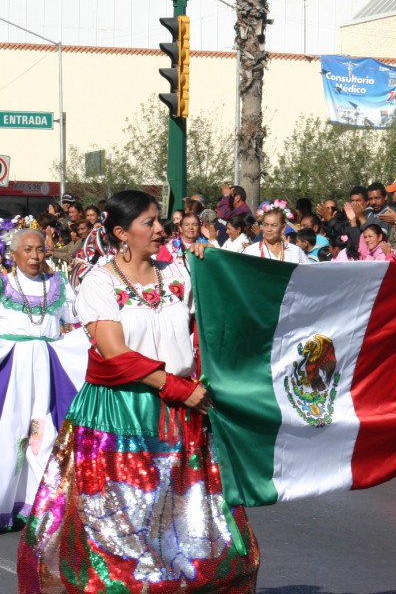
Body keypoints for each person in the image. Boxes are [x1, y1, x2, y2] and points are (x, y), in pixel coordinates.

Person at [17, 190, 260, 589]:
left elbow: (228, 317)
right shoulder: (99, 283)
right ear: (121, 233)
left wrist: (211, 264)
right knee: (122, 528)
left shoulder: (182, 274)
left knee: (190, 524)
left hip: (182, 416)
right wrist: (179, 389)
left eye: (159, 220)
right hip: (120, 413)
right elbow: (114, 353)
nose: (161, 229)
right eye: (149, 222)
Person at [0, 229, 88, 531]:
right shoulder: (3, 285)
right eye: (28, 250)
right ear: (14, 254)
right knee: (9, 433)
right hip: (12, 370)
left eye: (40, 250)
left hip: (47, 370)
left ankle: (39, 505)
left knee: (44, 433)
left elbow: (80, 315)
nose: (35, 256)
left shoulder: (57, 285)